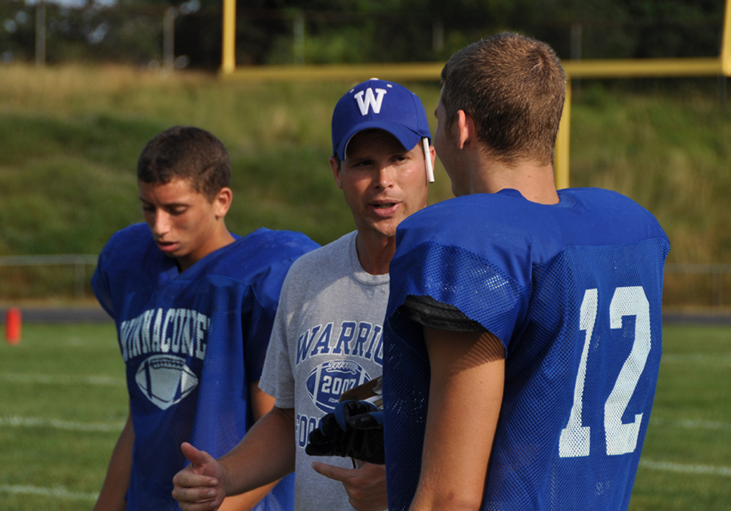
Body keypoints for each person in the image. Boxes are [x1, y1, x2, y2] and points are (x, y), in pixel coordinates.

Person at [381, 32, 670, 511]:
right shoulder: (625, 232)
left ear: (461, 127)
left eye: (436, 123)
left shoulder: (475, 244)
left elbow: (449, 497)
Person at [171, 79, 436, 511]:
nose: (383, 180)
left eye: (399, 159)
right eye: (364, 163)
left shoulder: (457, 277)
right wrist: (225, 475)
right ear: (337, 171)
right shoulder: (307, 275)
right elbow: (291, 417)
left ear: (429, 159)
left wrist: (400, 482)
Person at [90, 126, 319, 511]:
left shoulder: (257, 280)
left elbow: (283, 427)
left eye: (176, 210)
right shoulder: (131, 265)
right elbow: (141, 414)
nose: (159, 226)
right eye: (149, 207)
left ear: (221, 201)